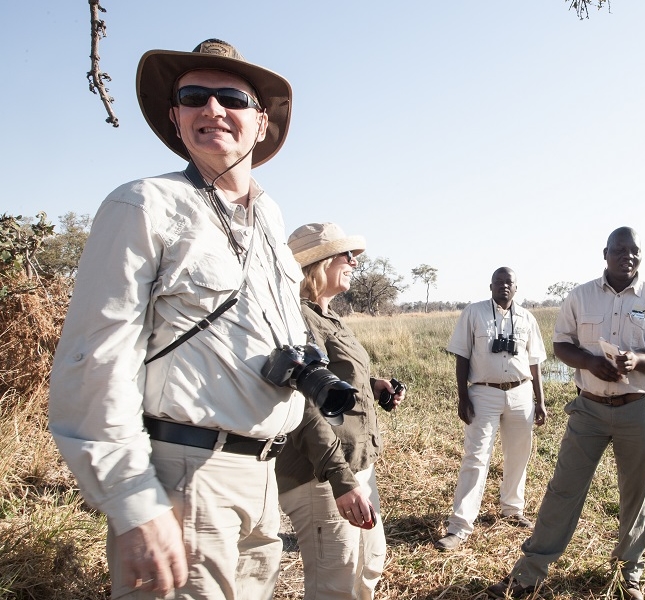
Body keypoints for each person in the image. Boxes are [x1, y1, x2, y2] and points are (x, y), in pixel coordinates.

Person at [48, 39, 303, 599]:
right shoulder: (143, 204)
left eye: (232, 97)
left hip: (262, 481)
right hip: (186, 476)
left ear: (261, 123)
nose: (212, 109)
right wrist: (135, 502)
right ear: (175, 117)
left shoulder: (269, 219)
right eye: (194, 96)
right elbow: (96, 363)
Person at [487, 227, 645, 600]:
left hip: (638, 409)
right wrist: (591, 362)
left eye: (634, 251)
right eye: (620, 250)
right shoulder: (580, 296)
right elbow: (562, 345)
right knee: (563, 489)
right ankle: (528, 574)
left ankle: (630, 574)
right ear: (605, 253)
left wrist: (637, 359)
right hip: (589, 409)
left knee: (634, 495)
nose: (627, 256)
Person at [275, 222, 406, 600]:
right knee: (336, 584)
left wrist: (373, 385)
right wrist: (341, 480)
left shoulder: (327, 315)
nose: (354, 261)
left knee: (369, 563)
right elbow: (302, 405)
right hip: (323, 474)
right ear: (319, 262)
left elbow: (332, 378)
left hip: (356, 464)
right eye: (346, 255)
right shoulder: (297, 317)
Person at [434, 267, 548, 551]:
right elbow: (461, 355)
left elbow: (535, 362)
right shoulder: (474, 313)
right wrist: (463, 397)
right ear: (491, 286)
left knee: (519, 454)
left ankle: (512, 509)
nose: (504, 287)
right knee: (476, 457)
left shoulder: (527, 318)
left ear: (516, 287)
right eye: (499, 282)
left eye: (509, 283)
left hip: (521, 392)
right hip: (483, 392)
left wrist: (540, 401)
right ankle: (459, 525)